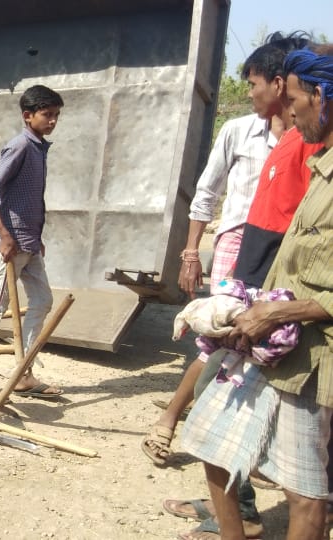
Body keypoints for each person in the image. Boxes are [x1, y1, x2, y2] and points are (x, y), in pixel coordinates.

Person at [179, 47, 333, 540]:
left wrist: (279, 312)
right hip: (280, 345)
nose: (291, 112)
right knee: (211, 443)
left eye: (295, 99)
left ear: (320, 96)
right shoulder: (320, 164)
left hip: (313, 361)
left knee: (306, 498)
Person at [142, 33, 308, 470]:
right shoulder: (239, 131)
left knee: (245, 350)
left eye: (254, 84)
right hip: (241, 249)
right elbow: (207, 193)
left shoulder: (307, 140)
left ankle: (217, 447)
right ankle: (176, 421)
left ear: (279, 84)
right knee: (220, 341)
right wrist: (191, 252)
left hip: (283, 257)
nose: (251, 93)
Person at [0, 85, 63, 401]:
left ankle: (23, 373)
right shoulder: (20, 146)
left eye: (57, 115)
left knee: (43, 300)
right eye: (48, 115)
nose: (53, 121)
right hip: (12, 243)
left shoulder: (38, 148)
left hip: (29, 243)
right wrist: (5, 235)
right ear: (27, 115)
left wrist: (37, 236)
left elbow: (31, 198)